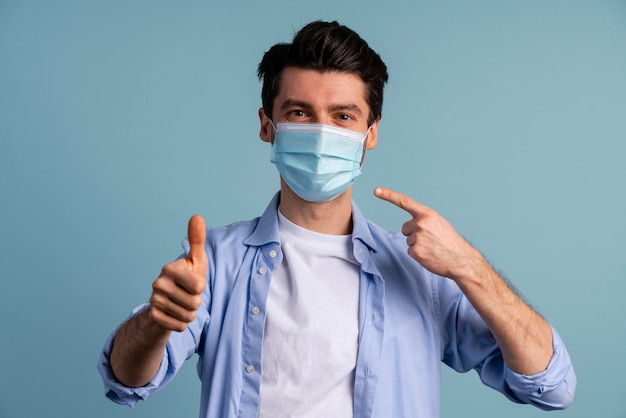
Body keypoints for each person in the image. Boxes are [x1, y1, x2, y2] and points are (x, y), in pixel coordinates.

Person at [98, 20, 576, 417]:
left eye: (343, 116)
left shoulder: (422, 272)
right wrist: (157, 324)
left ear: (370, 133)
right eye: (301, 112)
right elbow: (126, 381)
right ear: (268, 125)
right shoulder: (216, 262)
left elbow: (552, 387)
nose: (322, 131)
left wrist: (470, 267)